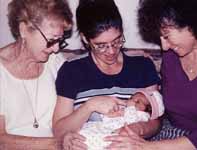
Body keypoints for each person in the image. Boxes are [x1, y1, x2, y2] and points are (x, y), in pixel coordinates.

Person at [105, 0, 197, 150]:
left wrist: (146, 147)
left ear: (192, 24)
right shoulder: (173, 53)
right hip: (168, 134)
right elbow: (162, 104)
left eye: (166, 36)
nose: (164, 46)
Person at [52, 0, 161, 149]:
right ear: (85, 39)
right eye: (101, 46)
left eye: (117, 41)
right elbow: (59, 131)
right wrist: (90, 106)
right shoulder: (72, 70)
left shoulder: (142, 65)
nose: (111, 51)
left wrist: (137, 130)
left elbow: (155, 121)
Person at [0, 0, 73, 149]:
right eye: (51, 40)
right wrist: (56, 144)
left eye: (60, 40)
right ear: (24, 30)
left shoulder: (55, 62)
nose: (56, 49)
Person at [78, 91, 164, 150]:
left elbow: (131, 121)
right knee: (85, 130)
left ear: (148, 110)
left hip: (118, 134)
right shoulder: (125, 109)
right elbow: (109, 121)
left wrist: (130, 108)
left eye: (138, 102)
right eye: (131, 98)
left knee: (102, 141)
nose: (132, 101)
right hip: (106, 127)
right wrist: (110, 115)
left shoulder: (143, 116)